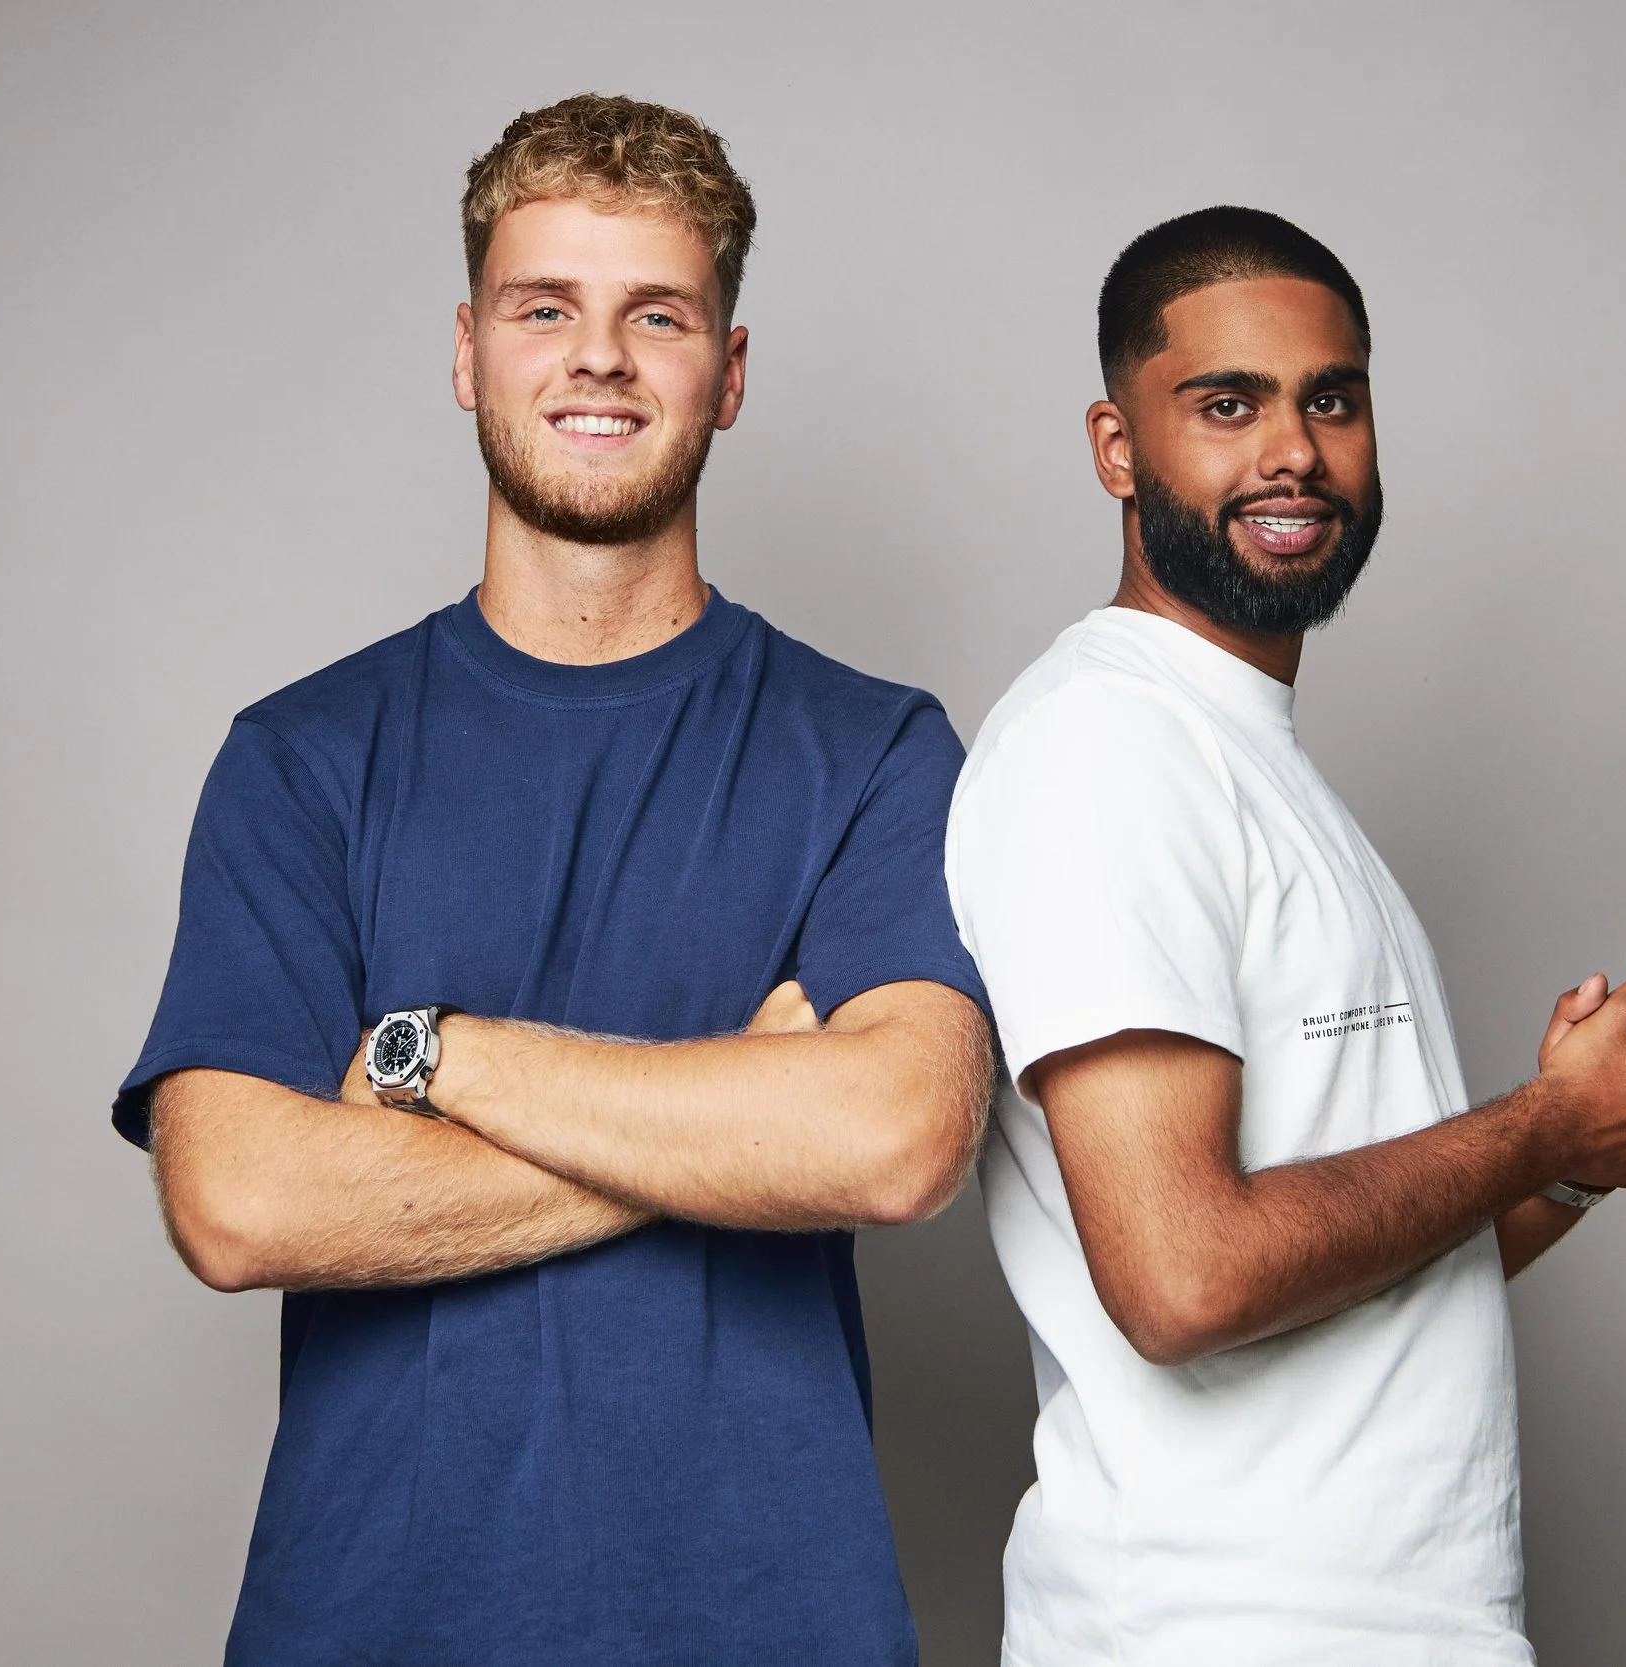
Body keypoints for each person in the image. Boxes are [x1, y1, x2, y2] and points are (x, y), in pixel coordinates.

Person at [115, 94, 992, 1667]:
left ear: (729, 373)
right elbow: (238, 1203)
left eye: (657, 314)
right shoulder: (301, 759)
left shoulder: (872, 751)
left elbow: (896, 1138)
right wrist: (732, 1124)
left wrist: (434, 1055)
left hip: (765, 1625)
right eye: (544, 310)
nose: (599, 358)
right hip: (377, 1628)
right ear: (468, 354)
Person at [943, 206, 1626, 1665]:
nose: (1295, 452)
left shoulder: (1241, 755)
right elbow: (1185, 1275)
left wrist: (1581, 1151)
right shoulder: (1106, 750)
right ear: (1117, 448)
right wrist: (1539, 1122)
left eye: (1332, 401)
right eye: (1227, 405)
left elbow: (1360, 1282)